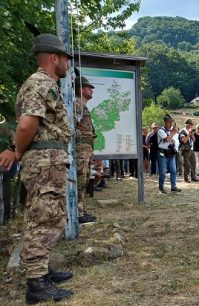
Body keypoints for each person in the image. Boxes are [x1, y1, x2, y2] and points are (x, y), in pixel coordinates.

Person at [14, 33, 74, 304]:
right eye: (65, 58)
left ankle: (42, 272)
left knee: (48, 215)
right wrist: (17, 151)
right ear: (53, 58)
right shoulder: (39, 82)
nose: (68, 64)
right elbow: (27, 124)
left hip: (49, 162)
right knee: (44, 218)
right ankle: (36, 284)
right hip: (44, 163)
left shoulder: (47, 84)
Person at [75, 76, 97, 224]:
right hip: (81, 150)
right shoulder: (77, 105)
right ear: (82, 89)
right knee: (80, 181)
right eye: (89, 87)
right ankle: (78, 212)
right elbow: (72, 126)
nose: (91, 90)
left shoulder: (82, 105)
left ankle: (81, 210)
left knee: (85, 180)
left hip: (86, 150)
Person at [157, 114, 181, 193]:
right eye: (168, 122)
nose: (170, 124)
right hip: (162, 153)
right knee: (163, 172)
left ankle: (173, 186)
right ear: (164, 122)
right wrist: (173, 133)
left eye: (171, 122)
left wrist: (173, 140)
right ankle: (161, 187)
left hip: (171, 152)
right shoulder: (160, 130)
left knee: (173, 170)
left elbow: (173, 140)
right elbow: (166, 139)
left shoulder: (171, 131)